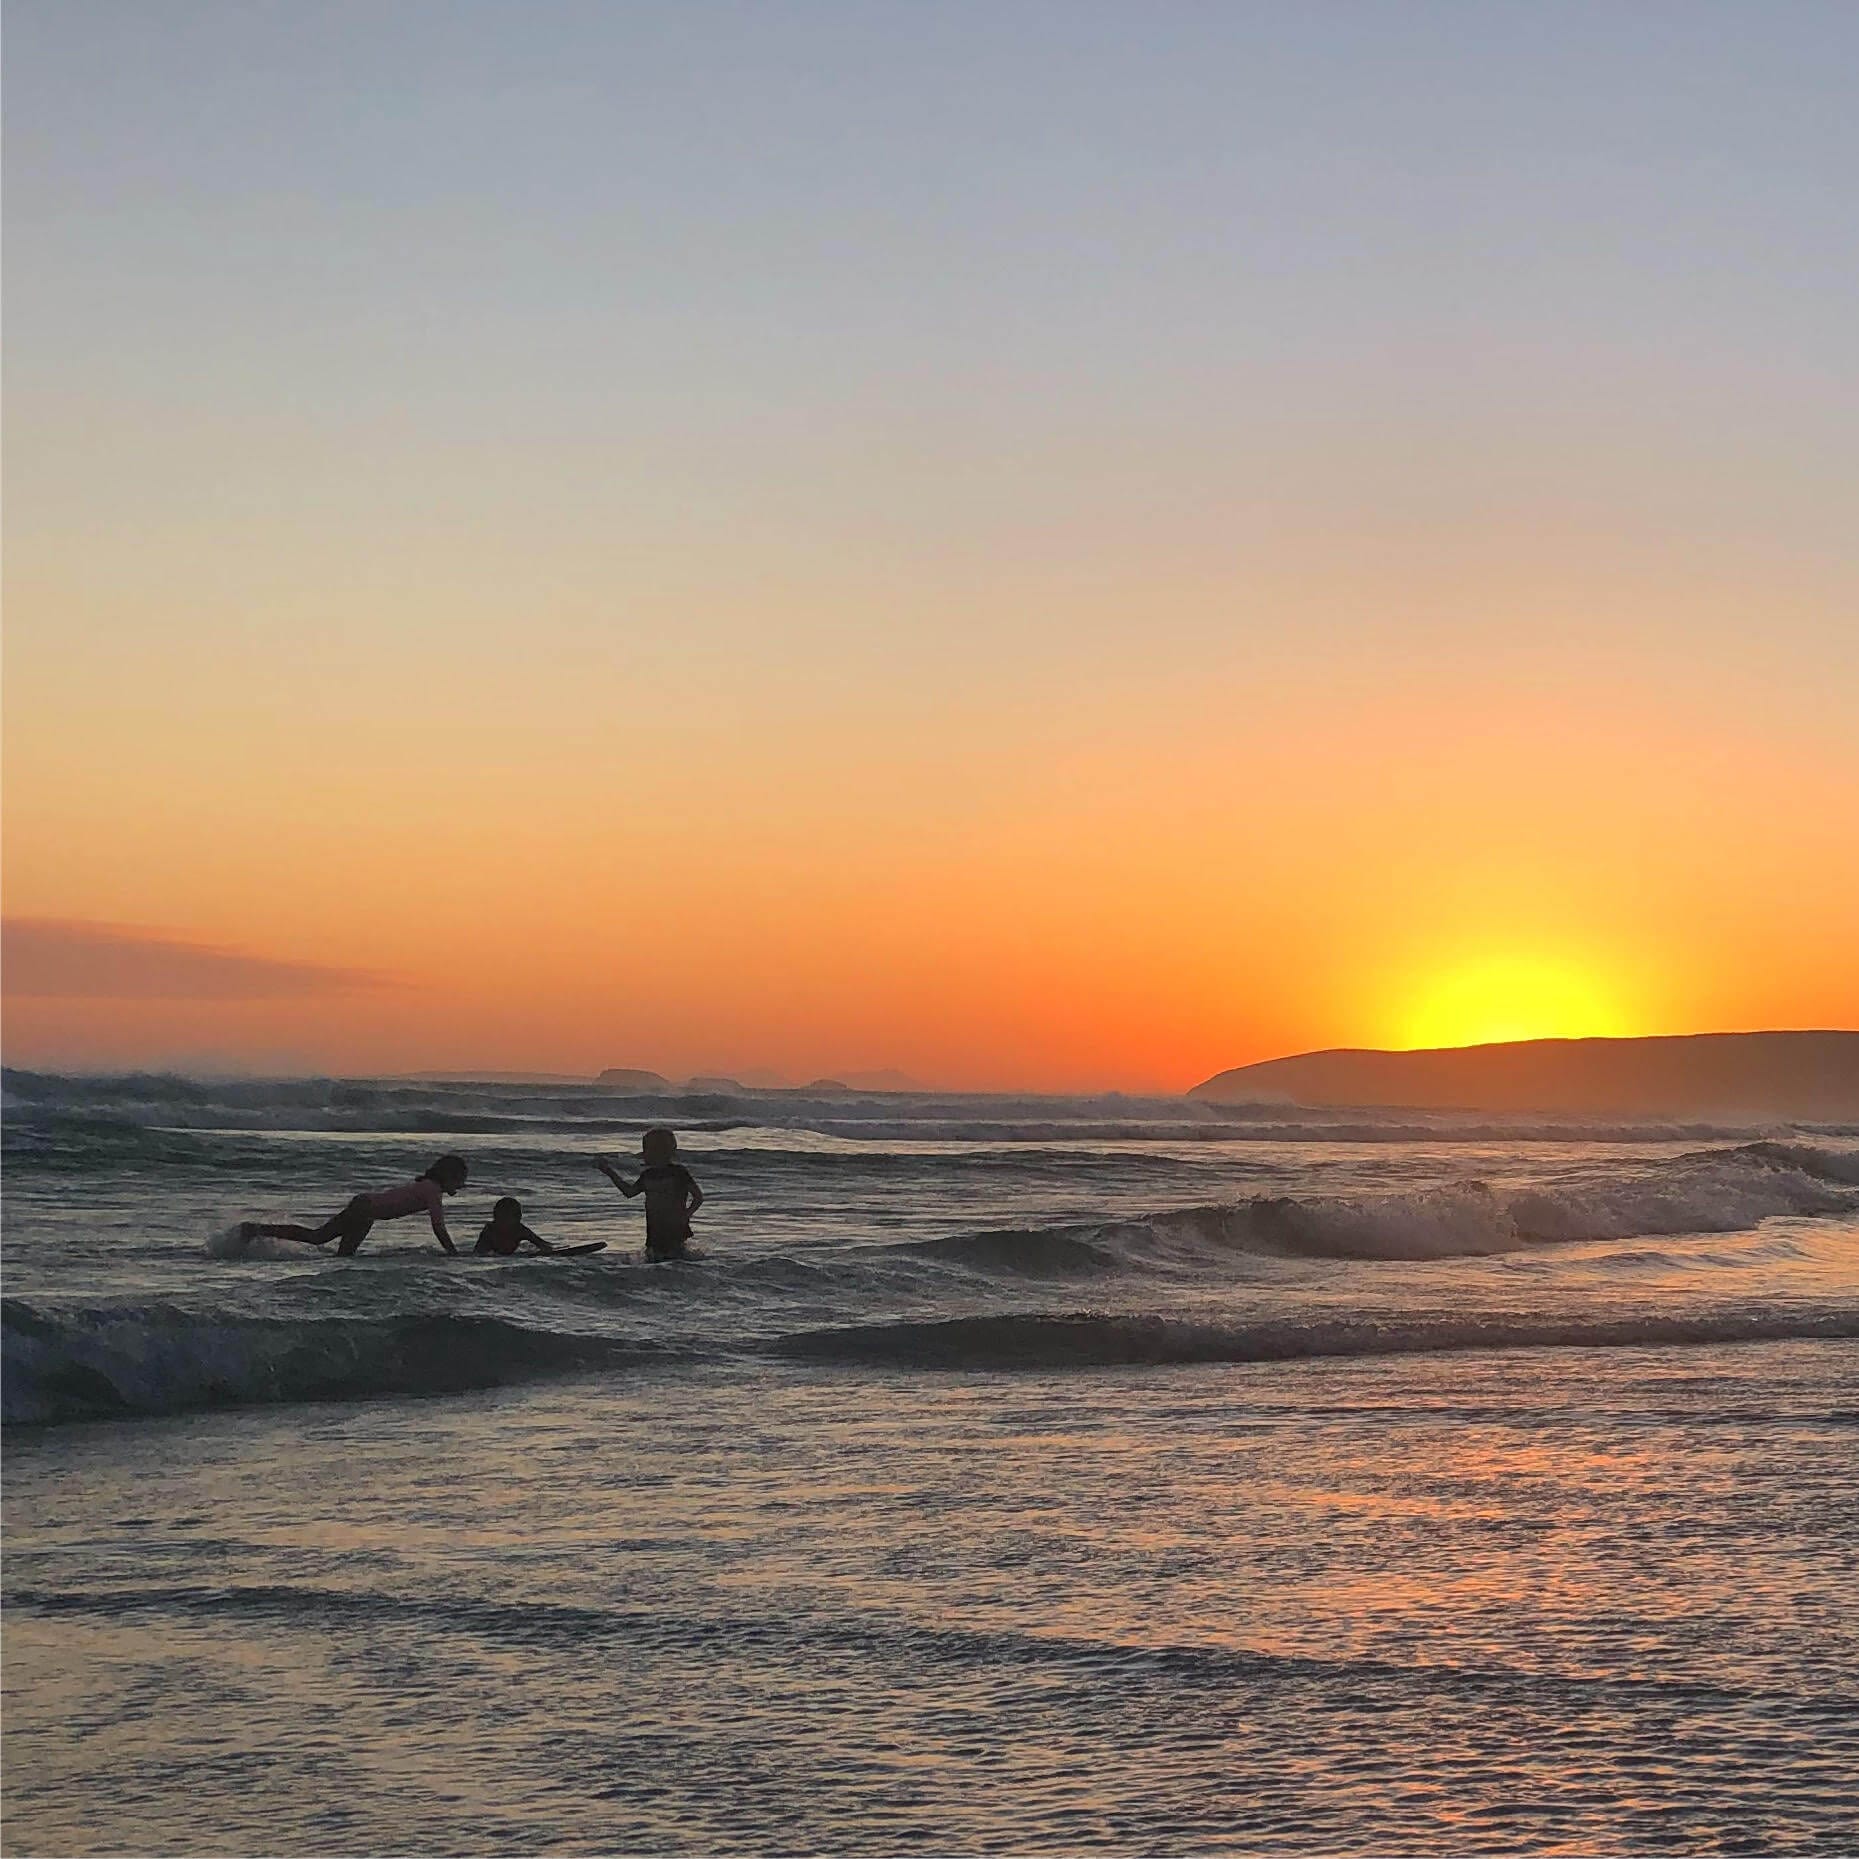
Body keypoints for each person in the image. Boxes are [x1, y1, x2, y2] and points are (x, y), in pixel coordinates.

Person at [239, 1156, 467, 1256]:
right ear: (448, 1176)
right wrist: (453, 1254)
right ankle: (256, 1229)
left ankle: (257, 1230)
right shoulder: (432, 1191)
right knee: (318, 1237)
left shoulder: (430, 1189)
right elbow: (438, 1227)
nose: (462, 1185)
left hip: (367, 1212)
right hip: (364, 1208)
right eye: (459, 1180)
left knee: (344, 1255)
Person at [597, 1129, 704, 1261]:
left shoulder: (679, 1173)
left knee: (675, 1258)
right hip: (654, 1225)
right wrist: (609, 1172)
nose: (643, 1154)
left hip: (675, 1225)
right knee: (655, 1258)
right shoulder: (648, 1175)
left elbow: (698, 1197)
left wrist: (686, 1215)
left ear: (659, 1152)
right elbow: (629, 1192)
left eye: (646, 1150)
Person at [474, 1196, 561, 1256]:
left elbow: (542, 1244)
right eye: (502, 1217)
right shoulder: (490, 1231)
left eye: (518, 1215)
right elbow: (478, 1254)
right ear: (496, 1217)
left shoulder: (519, 1230)